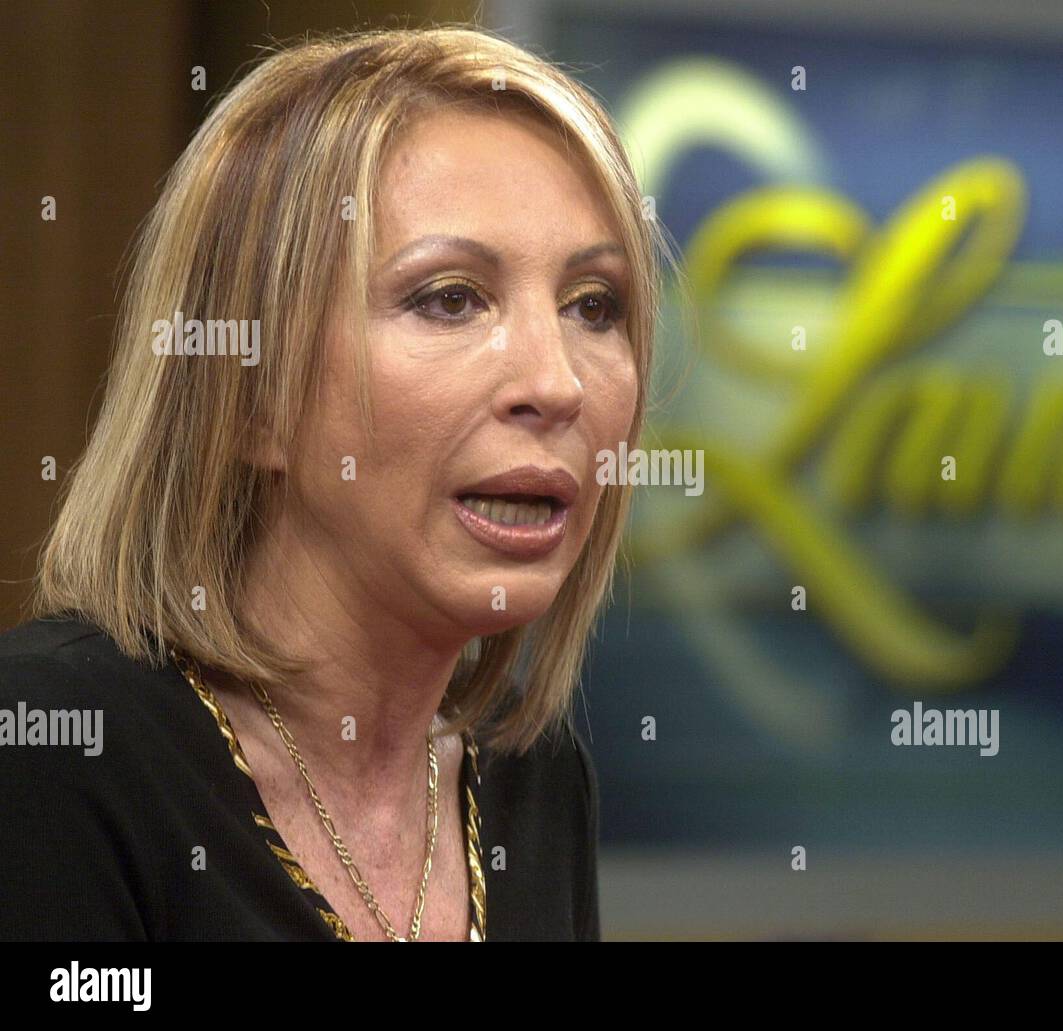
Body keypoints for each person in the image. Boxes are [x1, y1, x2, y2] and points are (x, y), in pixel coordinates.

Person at [0, 24, 674, 941]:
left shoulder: (533, 775)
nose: (556, 383)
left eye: (593, 306)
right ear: (250, 395)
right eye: (450, 297)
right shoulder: (53, 743)